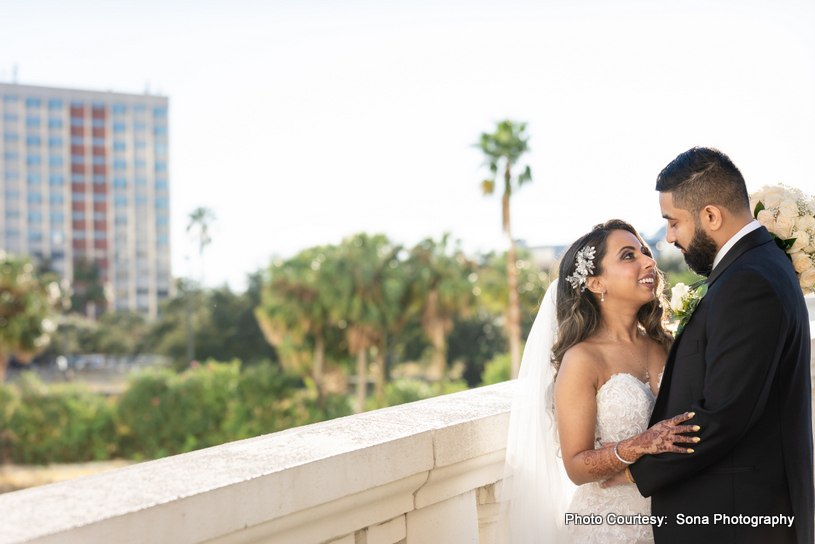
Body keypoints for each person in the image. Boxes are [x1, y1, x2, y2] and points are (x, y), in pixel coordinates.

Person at [607, 147, 814, 544]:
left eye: (673, 223)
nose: (668, 238)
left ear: (711, 216)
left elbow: (724, 413)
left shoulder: (747, 282)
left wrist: (636, 469)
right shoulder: (760, 265)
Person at [496, 219, 697, 544]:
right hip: (609, 528)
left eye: (645, 252)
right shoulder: (582, 359)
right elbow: (576, 467)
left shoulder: (664, 343)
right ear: (596, 282)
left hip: (673, 518)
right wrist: (642, 444)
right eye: (629, 256)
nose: (649, 261)